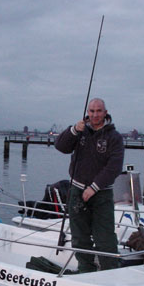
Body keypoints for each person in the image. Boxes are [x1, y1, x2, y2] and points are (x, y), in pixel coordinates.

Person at [55, 98, 125, 272]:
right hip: (77, 190)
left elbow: (114, 167)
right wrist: (73, 131)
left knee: (105, 237)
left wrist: (94, 187)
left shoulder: (114, 137)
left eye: (99, 111)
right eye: (92, 111)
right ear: (88, 112)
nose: (95, 114)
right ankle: (86, 270)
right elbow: (61, 146)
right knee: (79, 236)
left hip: (102, 193)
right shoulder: (80, 131)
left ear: (105, 112)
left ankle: (110, 271)